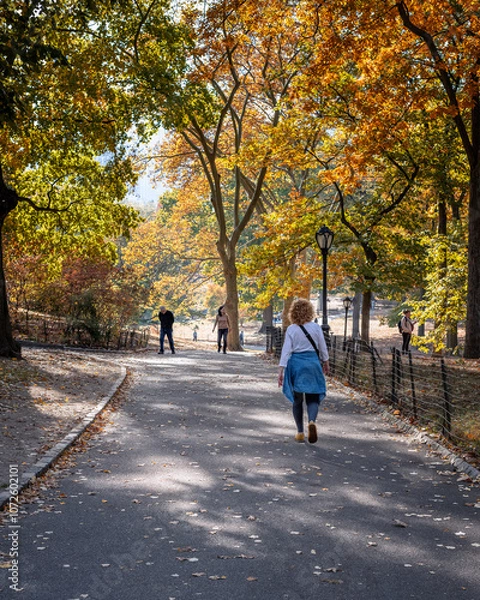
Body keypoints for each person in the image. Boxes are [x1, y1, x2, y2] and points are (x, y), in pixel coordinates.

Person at [278, 299, 330, 444]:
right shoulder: (316, 328)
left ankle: (300, 432)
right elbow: (322, 347)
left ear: (292, 312)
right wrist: (326, 362)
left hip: (296, 365)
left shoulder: (292, 329)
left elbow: (286, 350)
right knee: (313, 397)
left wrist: (281, 370)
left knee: (297, 400)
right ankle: (312, 421)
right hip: (313, 363)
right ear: (310, 311)